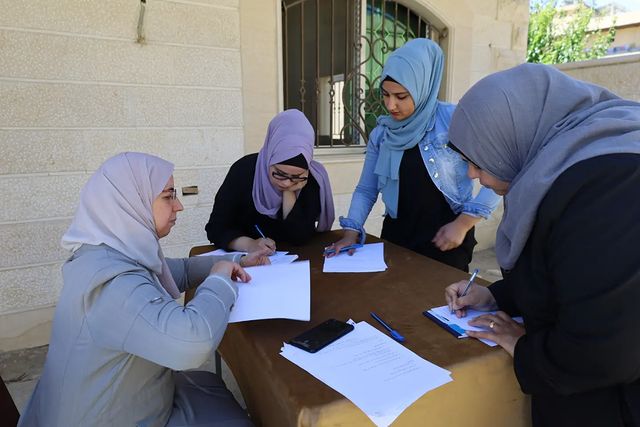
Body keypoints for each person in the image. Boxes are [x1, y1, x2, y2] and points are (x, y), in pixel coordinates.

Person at [444, 63, 640, 426]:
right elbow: (571, 274)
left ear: (510, 133)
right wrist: (497, 296)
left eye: (476, 159)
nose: (472, 174)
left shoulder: (610, 184)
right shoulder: (559, 165)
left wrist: (523, 349)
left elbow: (604, 349)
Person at [18, 152, 269, 427]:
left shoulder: (110, 252)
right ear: (130, 201)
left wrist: (236, 260)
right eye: (167, 196)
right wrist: (220, 281)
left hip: (130, 400)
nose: (179, 206)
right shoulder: (111, 283)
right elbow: (192, 344)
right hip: (106, 418)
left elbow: (180, 270)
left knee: (210, 385)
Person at [326, 38, 499, 272]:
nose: (390, 105)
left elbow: (500, 172)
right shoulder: (383, 134)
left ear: (423, 87)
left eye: (401, 96)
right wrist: (351, 233)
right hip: (398, 237)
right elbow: (367, 189)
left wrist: (464, 223)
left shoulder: (454, 120)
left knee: (441, 303)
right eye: (385, 95)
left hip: (447, 237)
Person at [205, 109, 335, 253]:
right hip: (245, 263)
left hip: (295, 264)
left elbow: (300, 236)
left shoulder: (313, 179)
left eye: (296, 177)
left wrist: (289, 193)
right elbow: (216, 228)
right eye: (279, 174)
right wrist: (249, 244)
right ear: (269, 157)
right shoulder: (243, 171)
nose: (286, 183)